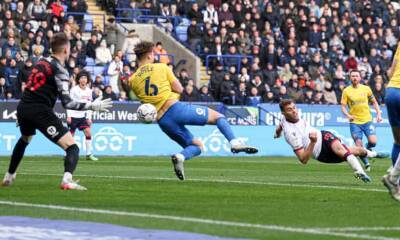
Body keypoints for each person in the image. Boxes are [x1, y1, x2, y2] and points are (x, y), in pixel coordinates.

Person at [129, 41, 258, 180]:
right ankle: (235, 143)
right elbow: (179, 88)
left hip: (163, 121)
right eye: (153, 53)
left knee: (197, 146)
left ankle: (180, 157)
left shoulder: (132, 80)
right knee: (218, 117)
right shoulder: (161, 67)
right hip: (175, 109)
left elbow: (145, 103)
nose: (154, 56)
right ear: (149, 55)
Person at [1, 33, 112, 190]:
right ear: (66, 50)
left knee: (25, 139)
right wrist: (91, 106)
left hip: (23, 107)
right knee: (72, 147)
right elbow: (67, 102)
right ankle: (67, 180)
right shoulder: (60, 70)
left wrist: (22, 113)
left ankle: (9, 176)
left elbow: (31, 87)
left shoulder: (41, 61)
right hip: (40, 110)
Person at [274, 99, 387, 182]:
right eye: (289, 110)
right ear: (283, 113)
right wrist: (312, 142)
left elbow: (281, 124)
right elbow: (303, 160)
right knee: (358, 151)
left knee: (342, 151)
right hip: (321, 154)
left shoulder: (285, 119)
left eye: (294, 107)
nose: (294, 111)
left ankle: (360, 171)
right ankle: (373, 154)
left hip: (324, 137)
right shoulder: (290, 134)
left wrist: (277, 133)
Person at [341, 70, 382, 172]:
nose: (355, 78)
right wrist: (348, 115)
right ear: (350, 78)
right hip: (355, 122)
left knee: (373, 142)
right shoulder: (346, 91)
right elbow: (342, 107)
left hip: (367, 120)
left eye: (356, 76)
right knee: (359, 145)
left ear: (360, 78)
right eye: (353, 76)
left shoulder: (366, 89)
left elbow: (374, 102)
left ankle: (368, 149)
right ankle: (366, 163)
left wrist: (378, 114)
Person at [66, 70, 99, 161]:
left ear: (87, 80)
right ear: (78, 80)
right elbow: (69, 103)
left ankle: (88, 154)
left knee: (88, 132)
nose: (84, 80)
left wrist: (89, 117)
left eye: (85, 78)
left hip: (82, 116)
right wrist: (69, 116)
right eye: (82, 78)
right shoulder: (74, 90)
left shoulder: (89, 91)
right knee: (70, 137)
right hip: (73, 116)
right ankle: (68, 154)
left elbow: (89, 105)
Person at [382, 42, 400, 201]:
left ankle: (395, 182)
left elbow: (390, 72)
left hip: (391, 92)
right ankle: (393, 178)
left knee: (398, 142)